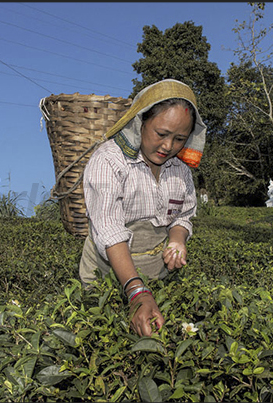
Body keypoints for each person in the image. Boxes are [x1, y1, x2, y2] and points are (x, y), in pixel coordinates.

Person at [78, 79, 207, 337]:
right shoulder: (109, 161)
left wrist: (177, 240)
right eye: (161, 134)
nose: (168, 146)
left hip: (156, 279)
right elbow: (109, 230)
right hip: (108, 279)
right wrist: (136, 291)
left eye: (179, 138)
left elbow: (182, 216)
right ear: (140, 122)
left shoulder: (180, 171)